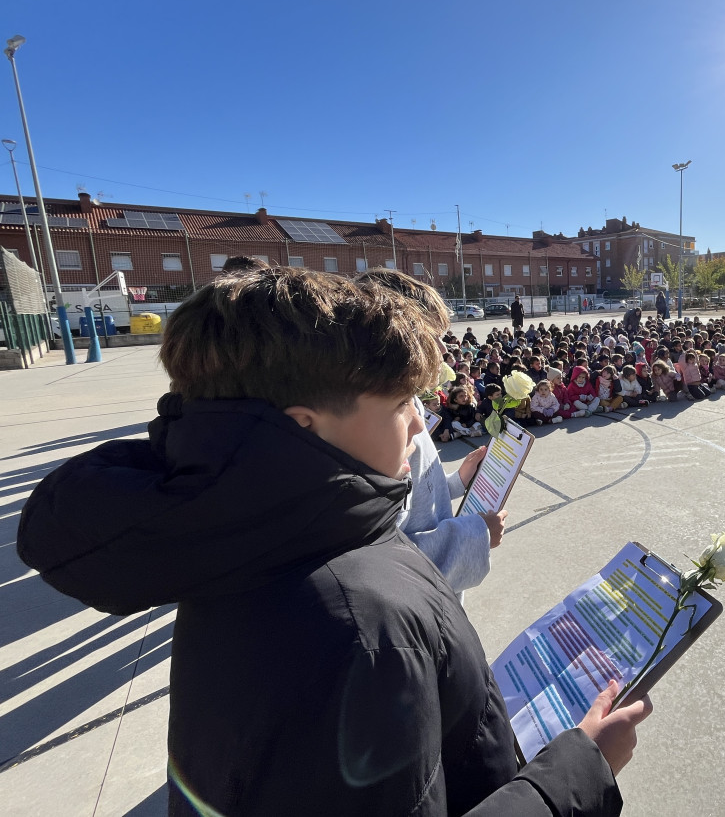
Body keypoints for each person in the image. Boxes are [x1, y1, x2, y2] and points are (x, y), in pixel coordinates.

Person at [18, 266, 642, 816]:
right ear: (304, 426)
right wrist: (578, 775)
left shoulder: (257, 535)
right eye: (401, 403)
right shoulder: (360, 624)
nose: (421, 422)